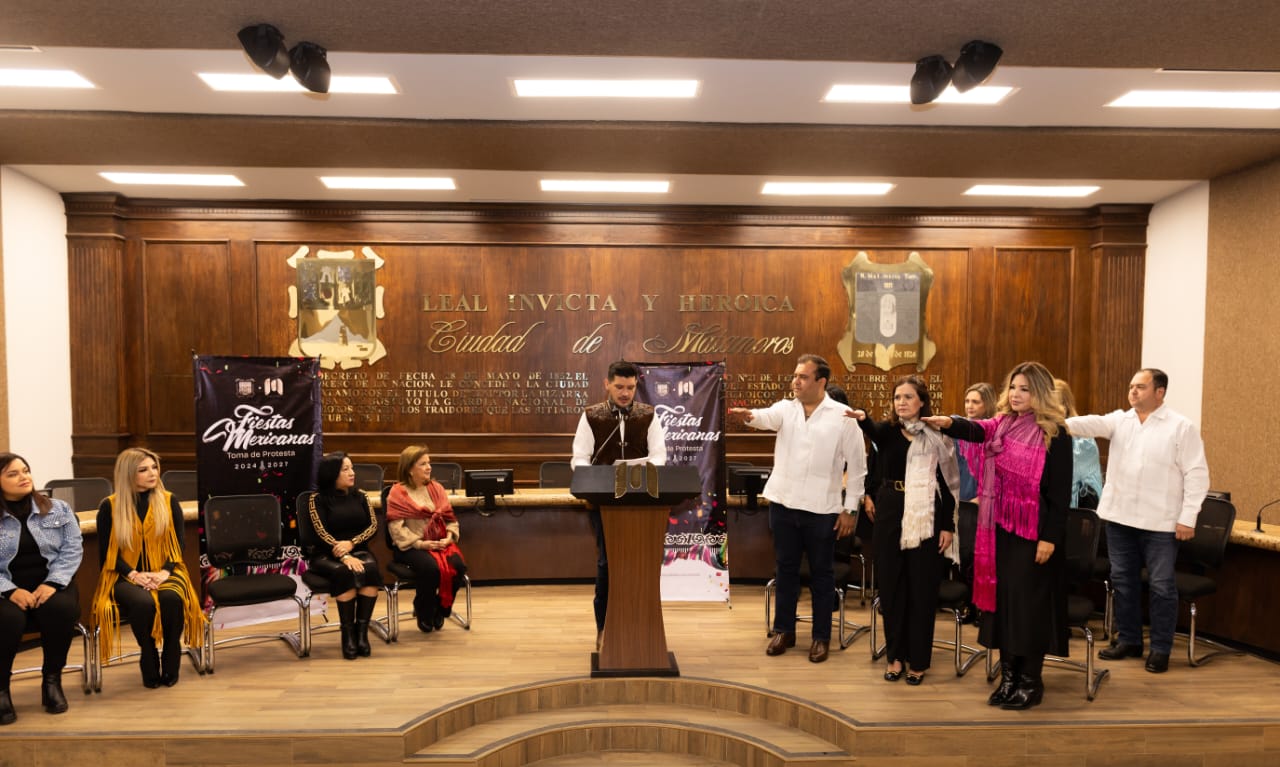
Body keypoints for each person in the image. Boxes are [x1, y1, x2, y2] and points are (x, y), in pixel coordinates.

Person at [923, 361, 1072, 709]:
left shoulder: (1055, 433)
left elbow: (1060, 494)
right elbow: (975, 429)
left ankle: (1030, 681)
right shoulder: (1001, 425)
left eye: (1025, 389)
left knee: (1028, 609)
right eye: (1013, 387)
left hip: (1034, 535)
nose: (1016, 394)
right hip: (999, 532)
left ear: (1040, 393)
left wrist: (1049, 538)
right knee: (1003, 606)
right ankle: (1008, 677)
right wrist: (949, 422)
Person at [1066, 368, 1209, 673]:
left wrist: (1188, 517)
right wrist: (1053, 422)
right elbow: (1089, 423)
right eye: (1131, 386)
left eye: (1140, 387)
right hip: (1120, 519)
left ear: (1160, 392)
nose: (1133, 391)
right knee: (1123, 581)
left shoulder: (1180, 427)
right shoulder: (1121, 420)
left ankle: (1160, 648)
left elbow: (1196, 474)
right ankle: (1129, 640)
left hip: (1161, 524)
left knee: (1161, 585)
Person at [729, 354, 865, 664]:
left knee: (822, 574)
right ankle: (784, 631)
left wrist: (850, 510)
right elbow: (765, 417)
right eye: (795, 376)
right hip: (784, 504)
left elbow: (858, 468)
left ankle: (821, 637)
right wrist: (749, 416)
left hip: (822, 509)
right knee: (785, 570)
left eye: (803, 377)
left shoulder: (843, 416)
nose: (796, 381)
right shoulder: (786, 409)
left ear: (821, 382)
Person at [847, 376, 959, 683]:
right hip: (890, 512)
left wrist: (948, 526)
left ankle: (918, 660)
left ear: (922, 401)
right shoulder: (887, 432)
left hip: (927, 515)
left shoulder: (938, 436)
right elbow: (871, 428)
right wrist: (862, 418)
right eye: (897, 397)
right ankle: (895, 656)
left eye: (908, 397)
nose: (902, 402)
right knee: (892, 588)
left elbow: (948, 485)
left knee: (922, 590)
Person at [570, 360, 667, 645]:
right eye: (619, 387)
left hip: (643, 505)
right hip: (604, 505)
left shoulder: (648, 415)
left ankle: (641, 628)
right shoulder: (591, 415)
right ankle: (605, 629)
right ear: (607, 384)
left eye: (630, 388)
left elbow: (659, 456)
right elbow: (579, 458)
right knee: (607, 564)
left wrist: (646, 471)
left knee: (641, 565)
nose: (625, 393)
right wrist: (593, 478)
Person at [92, 448, 203, 688]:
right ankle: (148, 652)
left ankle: (171, 653)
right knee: (143, 603)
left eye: (154, 467)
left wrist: (164, 572)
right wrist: (134, 574)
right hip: (123, 574)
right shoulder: (110, 506)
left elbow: (179, 543)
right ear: (128, 474)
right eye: (143, 470)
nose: (152, 473)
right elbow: (107, 554)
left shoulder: (169, 500)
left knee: (171, 598)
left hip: (166, 570)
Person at [0, 454, 83, 724]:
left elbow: (72, 549)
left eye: (25, 470)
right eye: (13, 474)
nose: (24, 477)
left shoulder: (58, 508)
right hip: (6, 590)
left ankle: (52, 681)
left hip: (51, 583)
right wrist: (10, 591)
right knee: (8, 618)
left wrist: (53, 583)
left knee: (60, 608)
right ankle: (1, 689)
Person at [305, 452, 382, 660]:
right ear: (332, 474)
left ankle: (361, 633)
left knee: (371, 569)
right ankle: (347, 634)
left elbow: (373, 526)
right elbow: (320, 532)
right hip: (325, 554)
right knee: (345, 572)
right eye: (345, 469)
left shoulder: (361, 496)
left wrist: (352, 543)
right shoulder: (317, 499)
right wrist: (344, 556)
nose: (352, 473)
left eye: (352, 468)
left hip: (358, 549)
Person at [385, 445, 467, 634]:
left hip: (440, 543)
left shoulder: (437, 488)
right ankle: (424, 610)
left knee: (458, 566)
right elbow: (396, 529)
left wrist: (449, 538)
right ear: (409, 469)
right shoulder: (397, 493)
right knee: (431, 569)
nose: (429, 467)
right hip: (411, 546)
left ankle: (442, 607)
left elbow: (450, 519)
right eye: (423, 464)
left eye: (429, 463)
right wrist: (421, 544)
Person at [1053, 379, 1103, 510]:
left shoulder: (1083, 439)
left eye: (1051, 406)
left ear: (1064, 407)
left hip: (1076, 510)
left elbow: (1067, 473)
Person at [956, 383, 997, 502]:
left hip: (983, 498)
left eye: (975, 402)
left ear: (987, 404)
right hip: (958, 495)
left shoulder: (995, 431)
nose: (969, 406)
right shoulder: (957, 427)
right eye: (967, 401)